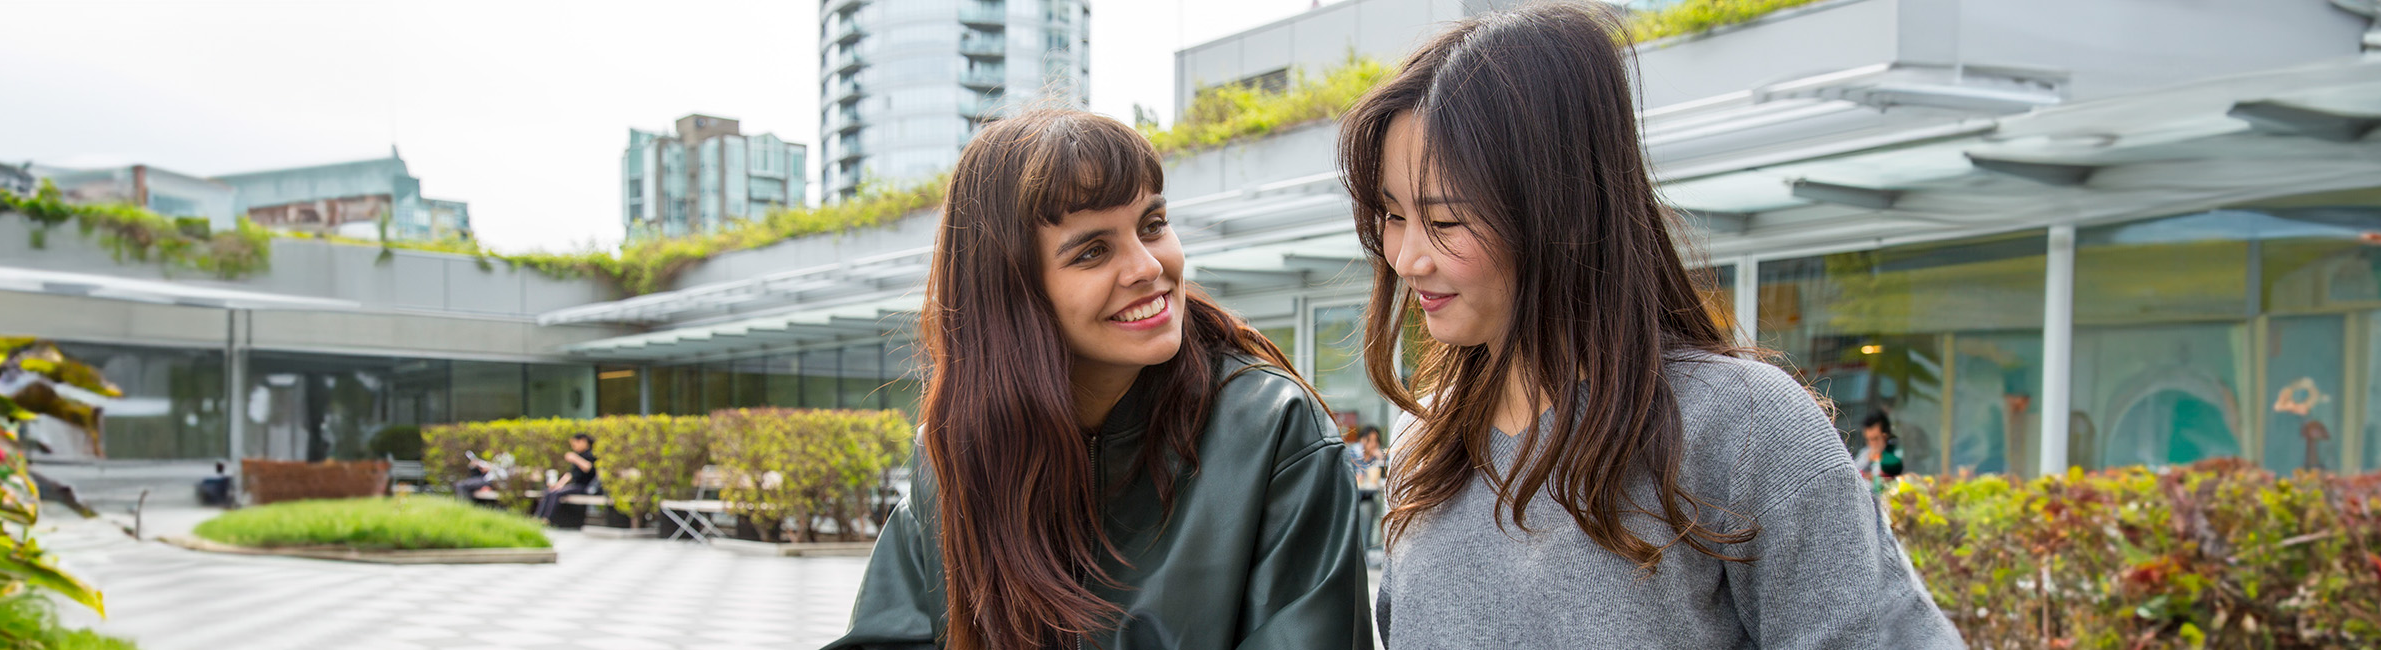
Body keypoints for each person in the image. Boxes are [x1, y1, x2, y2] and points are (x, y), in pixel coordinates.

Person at [1336, 3, 1961, 647]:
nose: (1408, 257)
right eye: (1391, 215)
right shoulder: (1426, 443)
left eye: (1445, 221)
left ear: (1566, 212)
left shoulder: (1744, 425)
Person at [827, 109, 1371, 650]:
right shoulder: (953, 451)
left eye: (1153, 225)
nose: (1146, 267)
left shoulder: (1273, 427)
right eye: (1092, 251)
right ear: (1013, 296)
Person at [530, 434, 597, 519]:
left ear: (583, 441)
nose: (573, 447)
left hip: (585, 486)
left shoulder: (591, 454)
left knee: (557, 494)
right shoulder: (578, 454)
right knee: (549, 492)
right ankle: (538, 517)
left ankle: (547, 519)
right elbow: (570, 474)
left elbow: (588, 468)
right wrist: (558, 485)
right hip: (574, 486)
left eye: (574, 444)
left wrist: (575, 458)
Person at [1853, 411, 1905, 482]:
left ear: (1885, 436)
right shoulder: (1866, 452)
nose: (1872, 444)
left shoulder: (1895, 451)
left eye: (1875, 439)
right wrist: (1868, 458)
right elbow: (1854, 471)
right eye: (1868, 439)